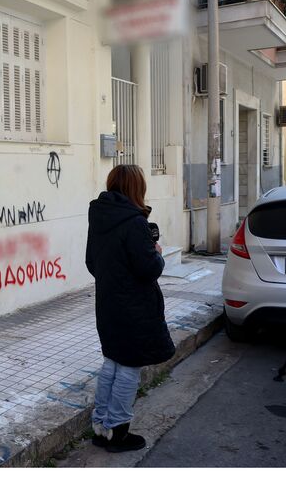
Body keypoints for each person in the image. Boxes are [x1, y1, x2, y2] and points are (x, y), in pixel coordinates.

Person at [85, 164, 175, 452]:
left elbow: (91, 262)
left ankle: (101, 427)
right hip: (134, 308)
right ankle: (118, 431)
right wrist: (157, 254)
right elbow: (148, 268)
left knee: (112, 362)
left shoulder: (99, 216)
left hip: (107, 304)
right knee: (128, 368)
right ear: (137, 188)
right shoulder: (134, 222)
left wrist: (114, 278)